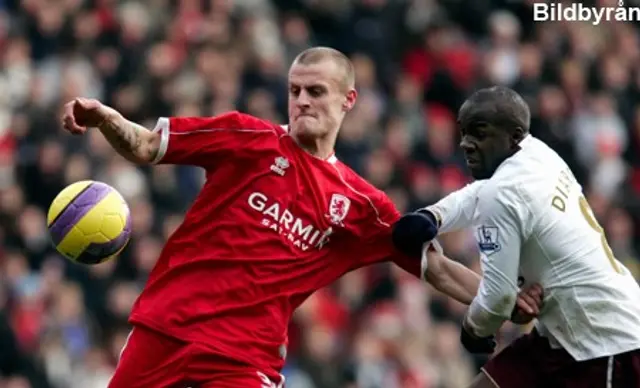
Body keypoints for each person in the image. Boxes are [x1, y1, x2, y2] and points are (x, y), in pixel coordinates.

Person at [62, 48, 541, 388]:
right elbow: (146, 145)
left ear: (347, 101)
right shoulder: (246, 137)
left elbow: (432, 265)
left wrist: (499, 298)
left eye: (316, 90)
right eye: (294, 91)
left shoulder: (361, 204)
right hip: (167, 327)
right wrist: (106, 118)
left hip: (243, 358)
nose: (302, 101)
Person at [392, 86, 640, 388]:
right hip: (563, 333)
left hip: (605, 340)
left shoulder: (503, 192)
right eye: (464, 133)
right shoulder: (537, 153)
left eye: (479, 134)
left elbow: (499, 297)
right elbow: (483, 192)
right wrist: (434, 215)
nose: (466, 144)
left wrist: (473, 330)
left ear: (513, 136)